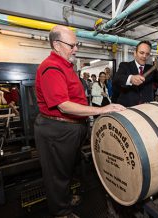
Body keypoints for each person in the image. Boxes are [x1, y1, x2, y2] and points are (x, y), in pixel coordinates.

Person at [34, 25, 125, 218]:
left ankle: (64, 200)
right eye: (72, 45)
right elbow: (64, 106)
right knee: (57, 175)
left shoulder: (65, 65)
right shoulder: (51, 67)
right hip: (57, 129)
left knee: (66, 169)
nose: (76, 48)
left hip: (70, 127)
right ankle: (61, 212)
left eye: (77, 44)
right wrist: (101, 110)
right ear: (57, 45)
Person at [113, 40, 158, 107]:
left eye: (147, 54)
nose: (144, 56)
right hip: (127, 109)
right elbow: (116, 79)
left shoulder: (152, 69)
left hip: (146, 108)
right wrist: (131, 79)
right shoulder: (125, 66)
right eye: (141, 53)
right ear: (135, 53)